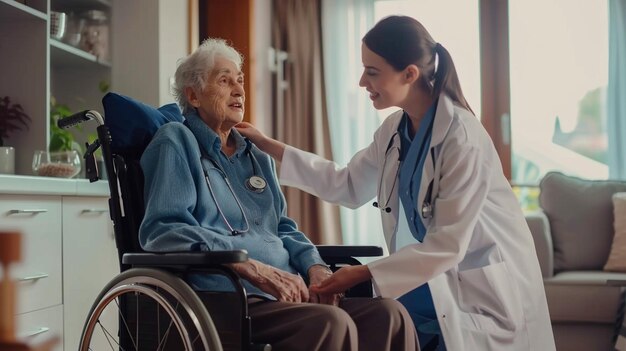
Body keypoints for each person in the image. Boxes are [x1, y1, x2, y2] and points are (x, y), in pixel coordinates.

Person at [236, 15, 555, 351]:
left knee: (379, 313)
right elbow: (345, 184)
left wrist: (362, 274)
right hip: (439, 278)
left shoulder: (462, 138)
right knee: (378, 314)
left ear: (409, 74)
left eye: (372, 72)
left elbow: (447, 244)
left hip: (483, 286)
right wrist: (267, 144)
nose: (362, 81)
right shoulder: (393, 131)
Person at [139, 38, 417, 351]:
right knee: (329, 323)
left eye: (240, 80)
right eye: (224, 80)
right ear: (193, 95)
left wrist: (315, 267)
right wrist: (247, 264)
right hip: (226, 298)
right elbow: (163, 229)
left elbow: (282, 227)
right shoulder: (176, 142)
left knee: (389, 315)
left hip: (285, 293)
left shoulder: (256, 156)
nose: (239, 90)